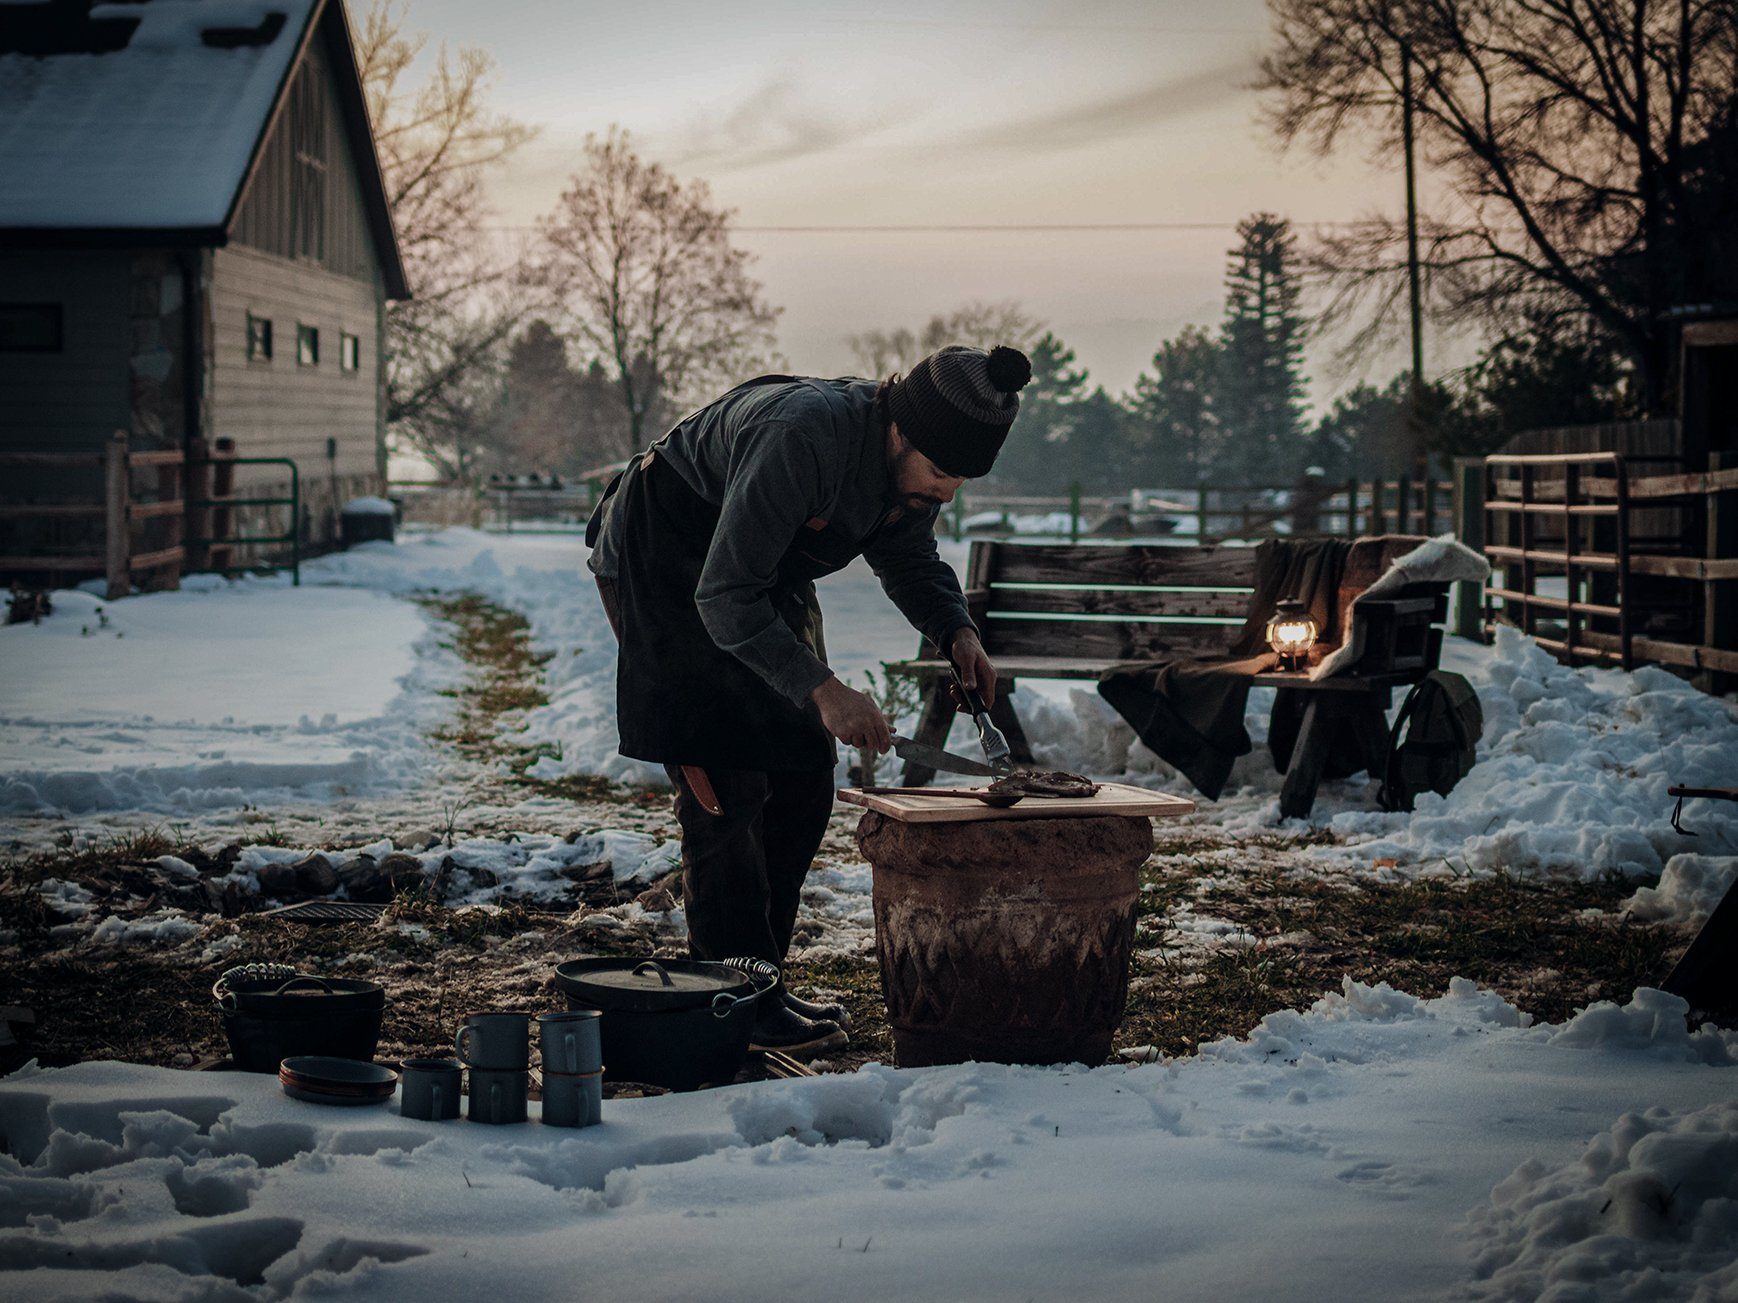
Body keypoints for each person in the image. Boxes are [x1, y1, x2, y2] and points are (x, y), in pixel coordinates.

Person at [585, 344, 1029, 1055]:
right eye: (942, 473)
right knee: (725, 776)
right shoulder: (802, 436)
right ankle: (728, 999)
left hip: (756, 568)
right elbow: (725, 595)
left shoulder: (905, 473)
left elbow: (909, 554)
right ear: (901, 434)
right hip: (669, 550)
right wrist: (825, 689)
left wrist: (956, 629)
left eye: (961, 481)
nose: (947, 493)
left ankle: (760, 983)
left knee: (800, 771)